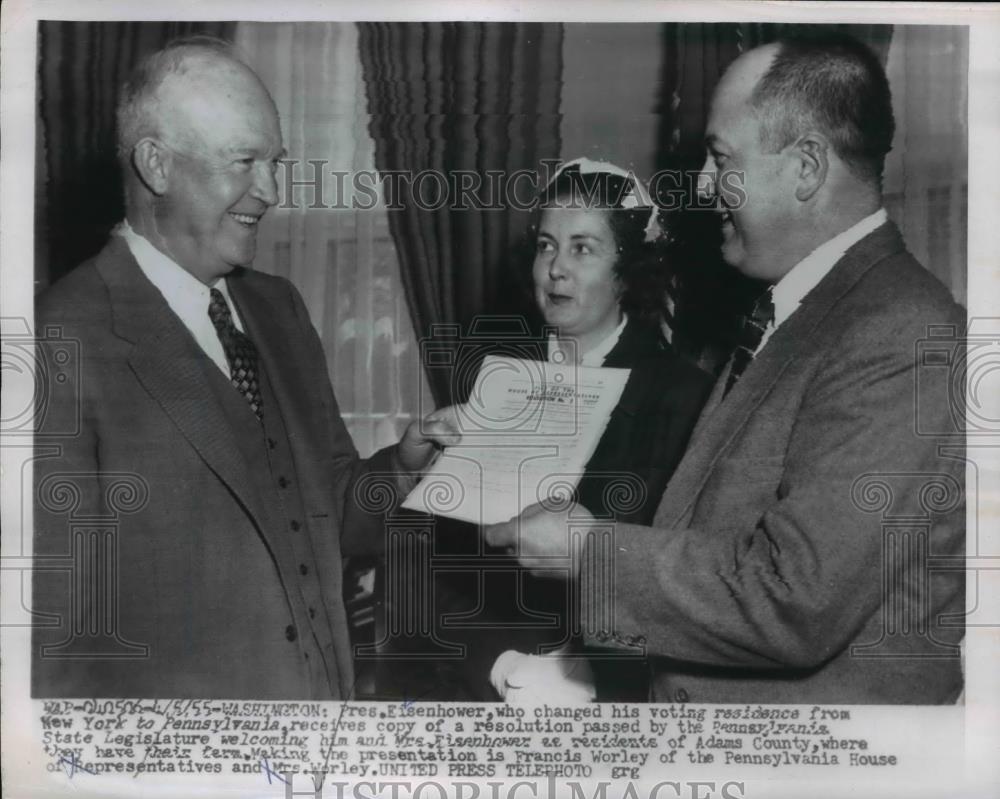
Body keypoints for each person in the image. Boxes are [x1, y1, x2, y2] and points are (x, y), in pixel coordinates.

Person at [485, 34, 966, 704]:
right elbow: (711, 549)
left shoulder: (901, 328)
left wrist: (585, 553)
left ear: (805, 167)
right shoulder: (797, 312)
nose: (704, 187)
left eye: (720, 161)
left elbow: (796, 601)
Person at [31, 38, 458, 700]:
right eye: (244, 163)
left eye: (275, 163)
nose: (271, 191)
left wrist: (401, 468)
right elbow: (50, 640)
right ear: (156, 165)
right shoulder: (60, 336)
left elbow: (333, 513)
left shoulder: (278, 308)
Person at [443, 159, 712, 701]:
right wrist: (498, 666)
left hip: (622, 697)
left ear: (626, 269)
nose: (555, 269)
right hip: (488, 691)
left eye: (582, 249)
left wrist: (585, 676)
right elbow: (441, 562)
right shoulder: (494, 377)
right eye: (546, 245)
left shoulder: (684, 397)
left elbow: (687, 576)